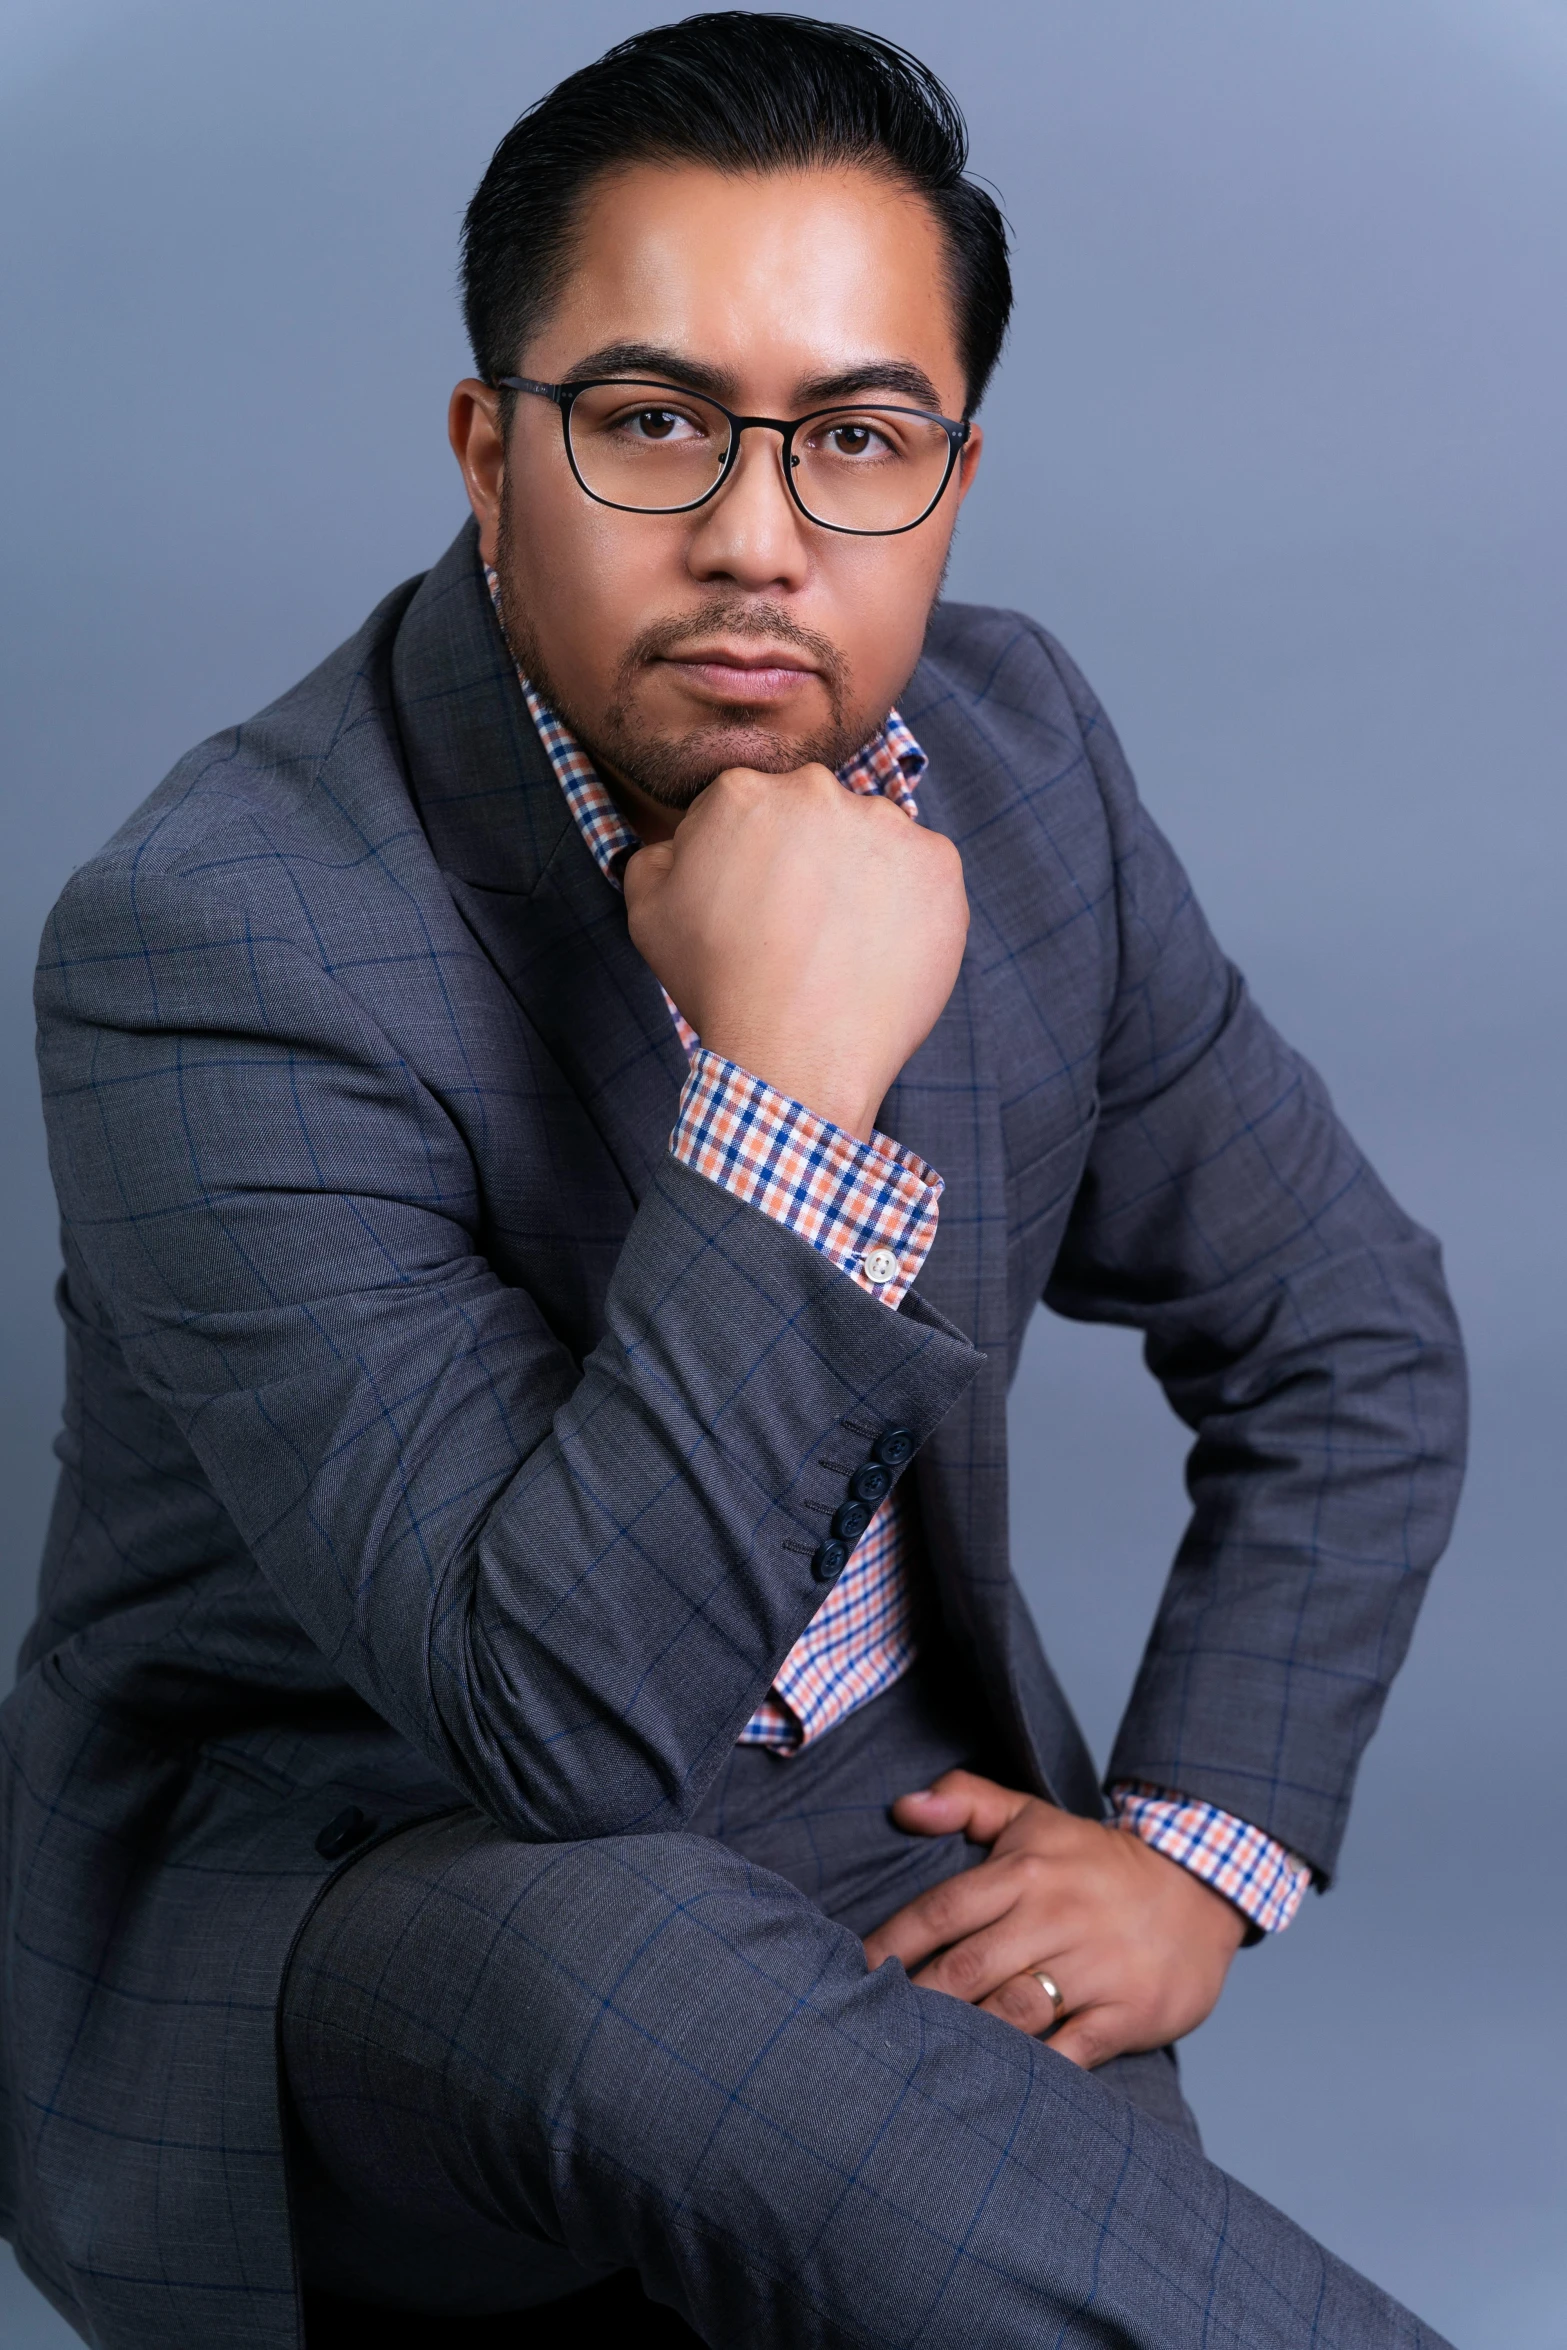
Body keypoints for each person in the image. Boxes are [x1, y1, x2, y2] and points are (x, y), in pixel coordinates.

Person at [3, 15, 1466, 2348]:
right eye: (654, 420)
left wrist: (1199, 1845)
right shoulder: (225, 936)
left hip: (889, 1828)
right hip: (381, 1880)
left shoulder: (1022, 761)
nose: (757, 539)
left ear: (954, 481)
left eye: (858, 440)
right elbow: (560, 1739)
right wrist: (790, 1071)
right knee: (630, 1952)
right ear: (493, 453)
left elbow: (1348, 1330)